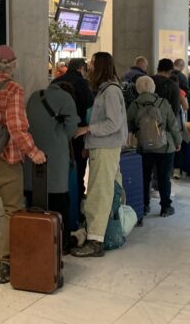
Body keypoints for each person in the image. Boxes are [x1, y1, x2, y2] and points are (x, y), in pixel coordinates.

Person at [0, 45, 46, 283]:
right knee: (12, 210)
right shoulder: (13, 89)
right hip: (7, 159)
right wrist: (34, 152)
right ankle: (4, 263)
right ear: (13, 64)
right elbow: (16, 127)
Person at [71, 52, 127, 258]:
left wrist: (88, 130)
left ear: (101, 66)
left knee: (99, 193)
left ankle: (96, 240)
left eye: (93, 63)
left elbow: (114, 123)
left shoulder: (110, 92)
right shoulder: (107, 89)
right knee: (108, 190)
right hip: (103, 147)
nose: (89, 66)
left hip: (105, 148)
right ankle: (104, 233)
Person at [25, 82, 79, 252]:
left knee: (34, 198)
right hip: (56, 157)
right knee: (59, 201)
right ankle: (61, 243)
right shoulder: (66, 98)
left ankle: (36, 239)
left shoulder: (34, 96)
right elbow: (72, 130)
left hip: (32, 155)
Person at [127, 76, 181, 217]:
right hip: (164, 146)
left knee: (145, 177)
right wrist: (178, 141)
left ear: (138, 88)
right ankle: (165, 207)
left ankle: (144, 205)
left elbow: (129, 125)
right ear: (153, 87)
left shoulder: (134, 105)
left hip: (144, 147)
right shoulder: (162, 102)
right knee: (164, 177)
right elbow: (173, 124)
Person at [51, 58, 95, 217]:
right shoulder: (83, 84)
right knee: (78, 172)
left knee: (60, 173)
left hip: (56, 136)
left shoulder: (55, 83)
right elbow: (90, 112)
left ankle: (59, 213)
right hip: (78, 134)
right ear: (82, 68)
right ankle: (75, 211)